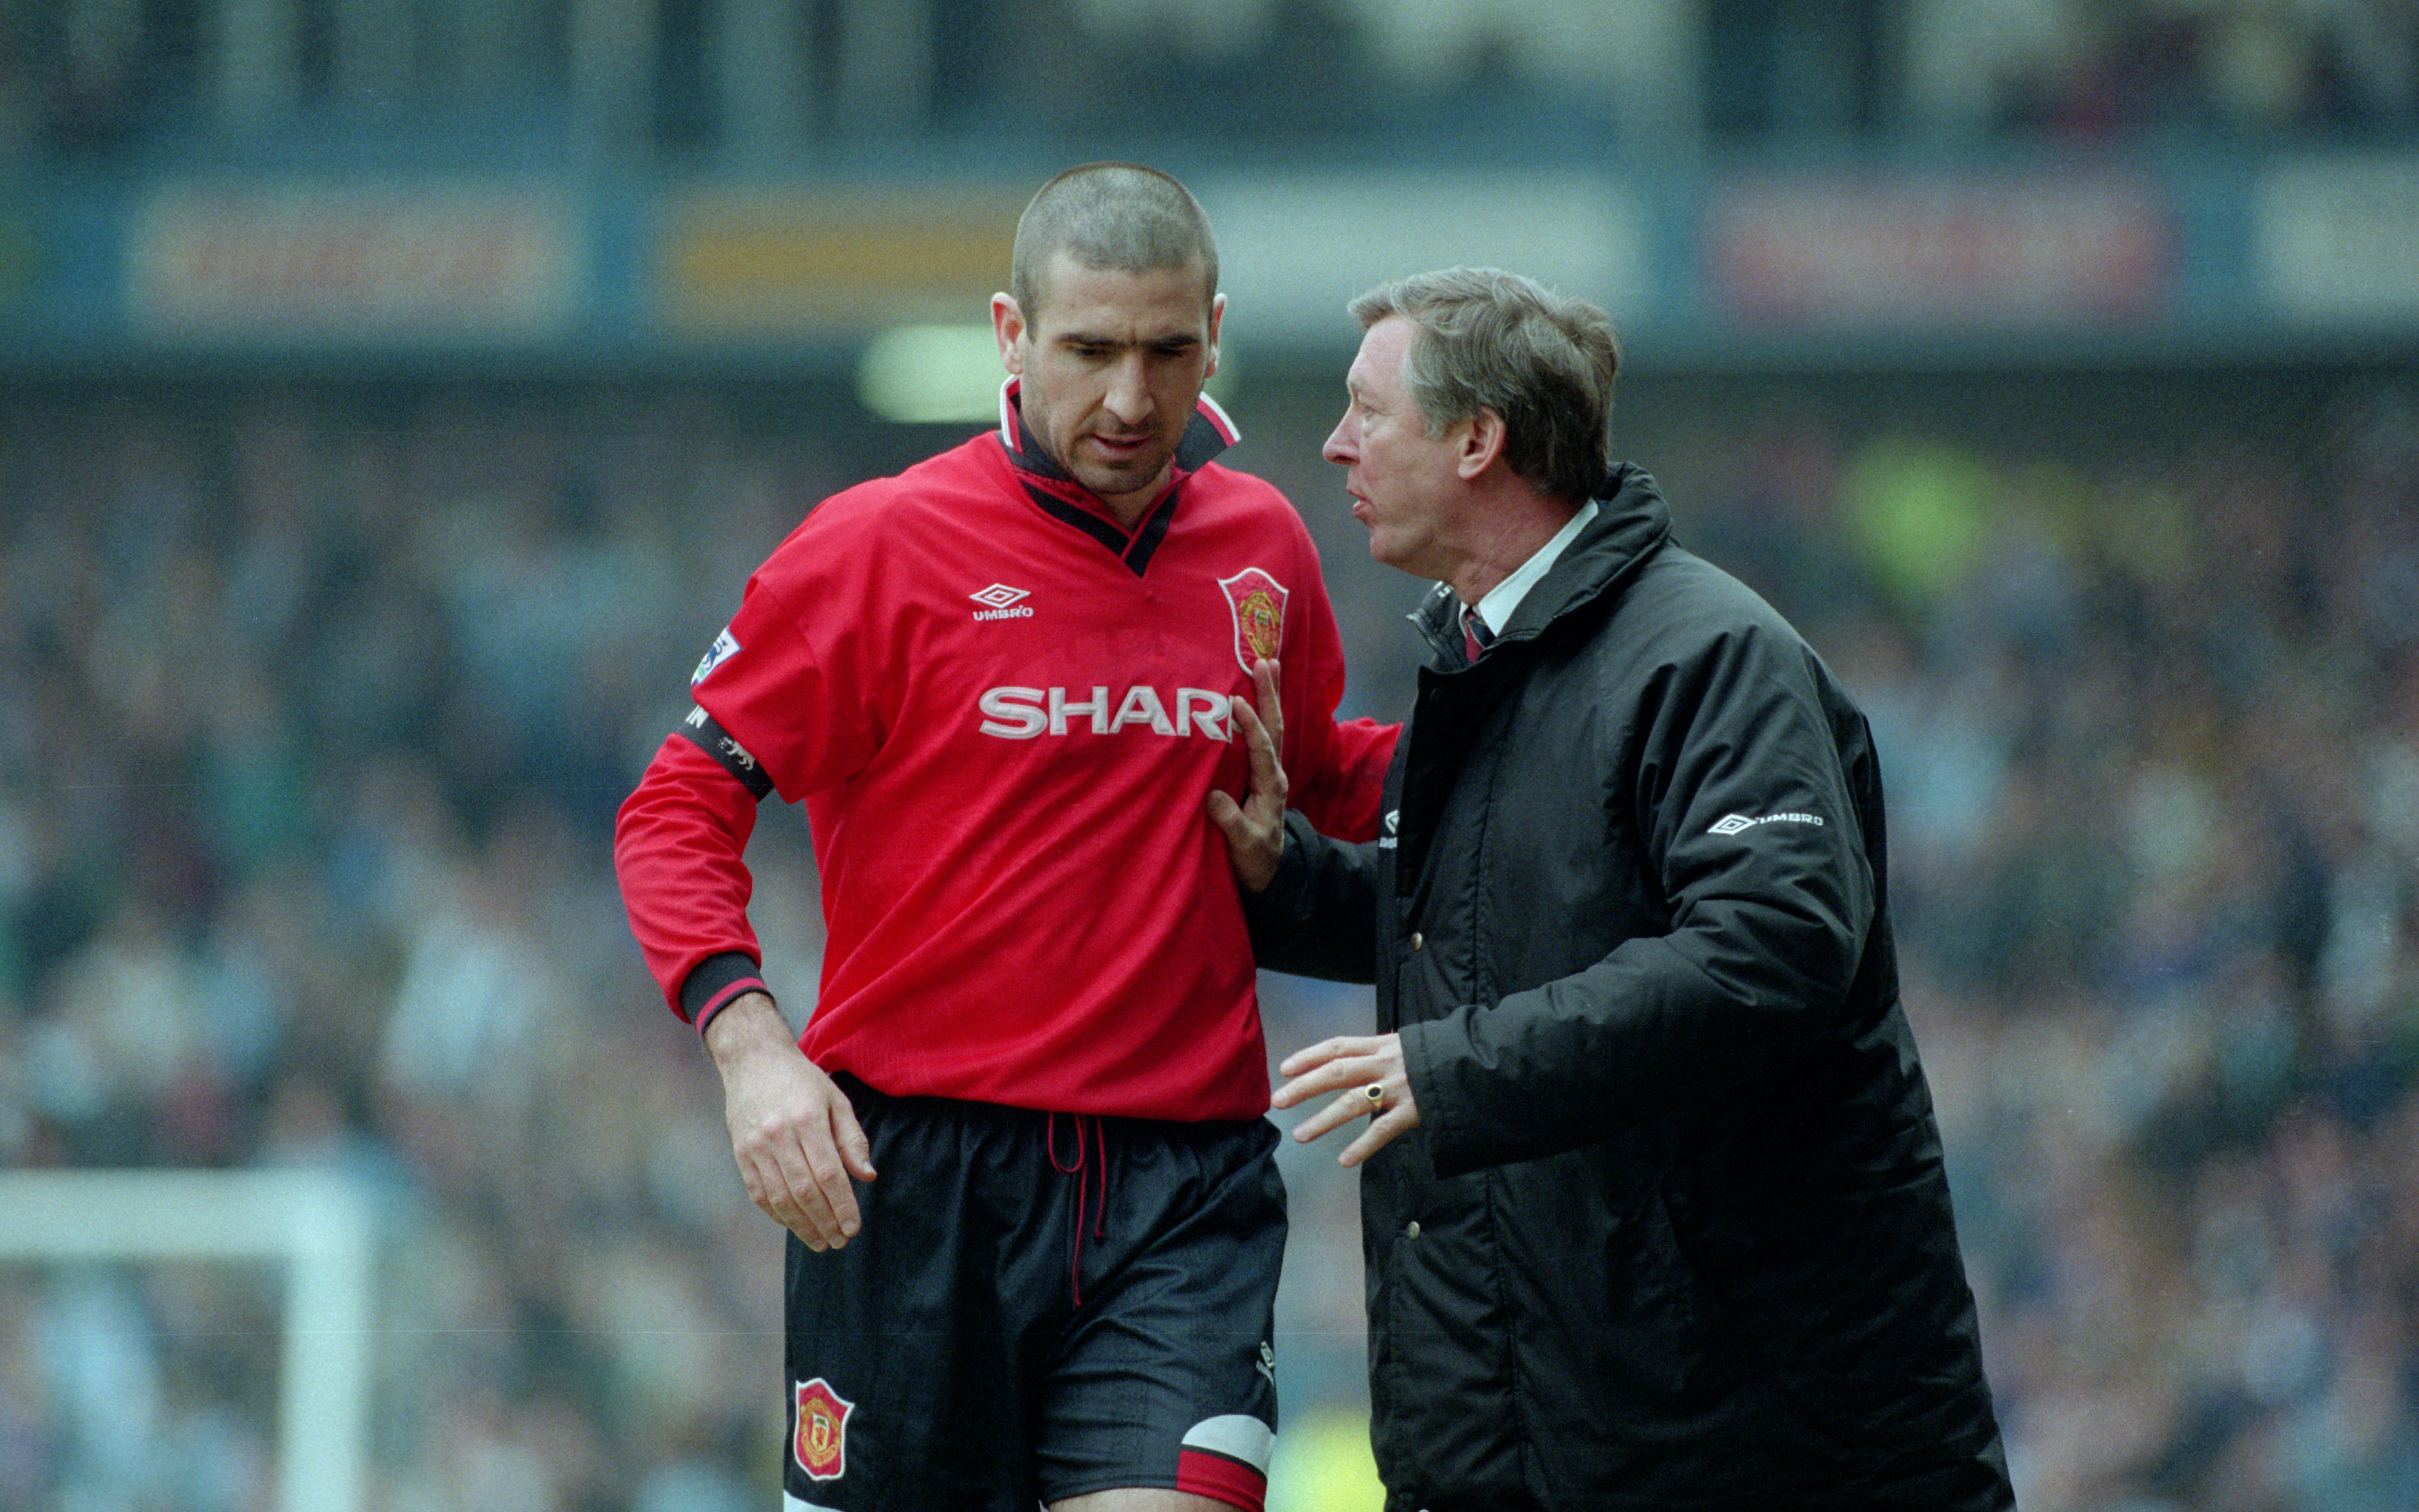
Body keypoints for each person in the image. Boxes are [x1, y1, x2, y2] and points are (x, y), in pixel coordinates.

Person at [613, 163, 1394, 1512]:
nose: (1130, 401)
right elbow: (677, 807)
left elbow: (1322, 778)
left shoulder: (1262, 542)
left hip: (1181, 1191)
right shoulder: (875, 548)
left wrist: (1561, 759)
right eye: (1089, 351)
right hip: (913, 1186)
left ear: (1214, 332)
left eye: (1165, 351)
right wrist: (751, 1053)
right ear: (1009, 334)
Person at [1210, 267, 2016, 1510]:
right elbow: (1501, 931)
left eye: (1367, 411)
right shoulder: (1483, 658)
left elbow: (1769, 951)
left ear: (1478, 440)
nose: (1332, 445)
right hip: (1569, 1430)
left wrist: (1448, 1070)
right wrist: (1287, 883)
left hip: (1754, 1444)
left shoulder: (1708, 657)